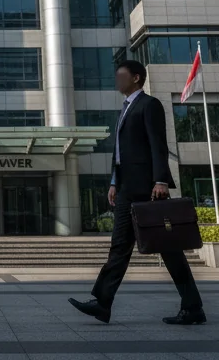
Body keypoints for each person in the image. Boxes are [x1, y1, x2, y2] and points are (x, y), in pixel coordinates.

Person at [69, 59, 206, 325]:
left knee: (169, 249)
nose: (117, 80)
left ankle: (193, 307)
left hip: (148, 188)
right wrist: (114, 182)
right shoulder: (124, 109)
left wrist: (161, 180)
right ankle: (102, 303)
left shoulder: (149, 104)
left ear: (136, 78)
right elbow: (120, 152)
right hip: (125, 188)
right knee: (119, 246)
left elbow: (157, 144)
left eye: (121, 75)